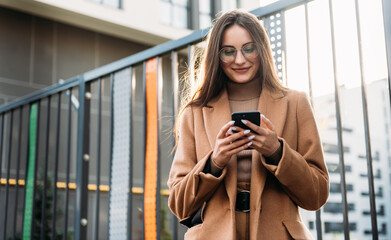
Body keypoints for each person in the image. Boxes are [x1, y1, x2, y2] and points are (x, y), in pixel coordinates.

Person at [167, 9, 329, 240]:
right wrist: (214, 162)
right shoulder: (195, 112)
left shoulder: (296, 102)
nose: (240, 60)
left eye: (249, 48)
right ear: (216, 56)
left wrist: (277, 152)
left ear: (262, 49)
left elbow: (317, 195)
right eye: (228, 52)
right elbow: (179, 204)